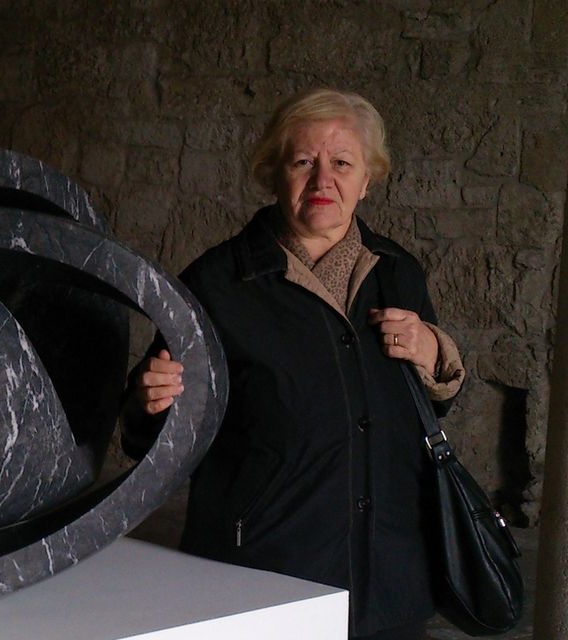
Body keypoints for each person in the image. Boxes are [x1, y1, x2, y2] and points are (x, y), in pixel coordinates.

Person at [123, 88, 465, 640]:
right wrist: (149, 403)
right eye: (303, 161)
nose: (323, 179)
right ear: (274, 174)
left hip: (391, 578)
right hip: (263, 573)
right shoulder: (217, 283)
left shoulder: (398, 271)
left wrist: (433, 353)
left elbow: (428, 408)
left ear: (367, 180)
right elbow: (148, 435)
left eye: (342, 163)